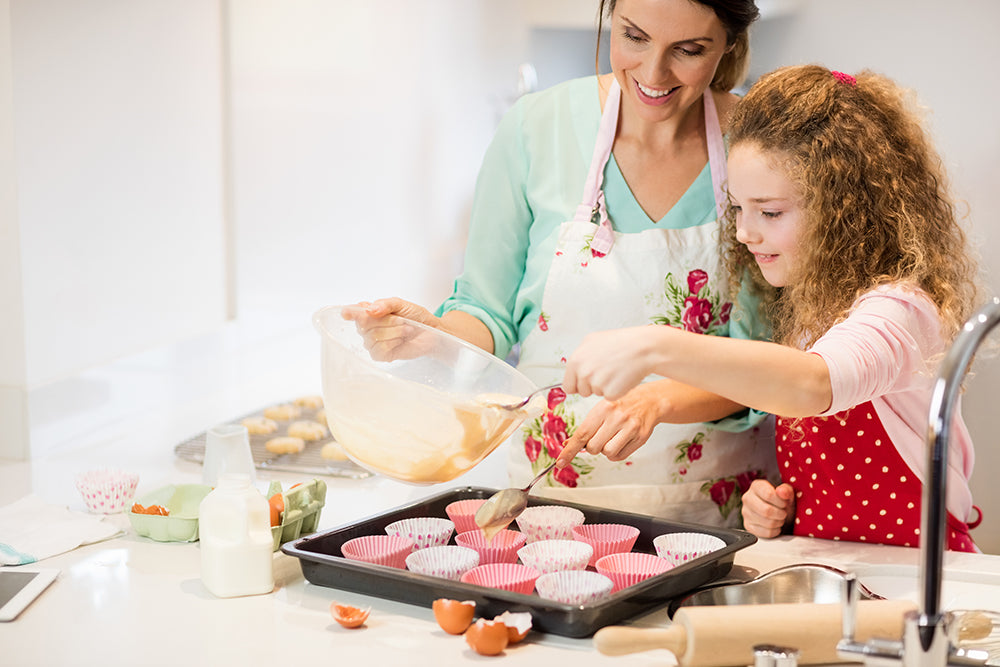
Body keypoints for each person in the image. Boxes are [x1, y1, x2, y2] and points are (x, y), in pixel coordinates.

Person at [343, 0, 777, 526]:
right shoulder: (534, 129)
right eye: (633, 36)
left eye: (687, 50)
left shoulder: (758, 145)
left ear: (728, 43)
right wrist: (433, 335)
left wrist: (655, 401)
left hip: (711, 514)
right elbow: (488, 310)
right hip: (546, 507)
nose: (653, 73)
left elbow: (762, 363)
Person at [562, 64, 983, 551]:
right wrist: (778, 509)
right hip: (834, 568)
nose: (745, 232)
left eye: (771, 212)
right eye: (739, 208)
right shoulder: (814, 310)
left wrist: (653, 347)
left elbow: (813, 382)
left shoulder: (902, 310)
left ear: (843, 206)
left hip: (920, 572)